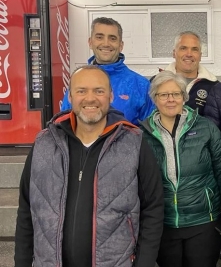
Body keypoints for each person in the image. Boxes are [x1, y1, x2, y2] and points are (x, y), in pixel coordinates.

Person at [15, 65, 164, 267]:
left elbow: (153, 209)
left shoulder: (134, 143)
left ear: (111, 96)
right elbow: (27, 209)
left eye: (99, 91)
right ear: (70, 96)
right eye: (81, 91)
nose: (90, 98)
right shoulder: (44, 143)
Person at [140, 70, 221, 267]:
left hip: (203, 221)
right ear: (155, 99)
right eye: (164, 95)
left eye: (176, 94)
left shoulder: (206, 128)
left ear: (184, 97)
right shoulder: (141, 134)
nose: (170, 99)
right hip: (163, 223)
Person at [61, 17, 155, 125]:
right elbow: (64, 124)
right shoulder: (78, 81)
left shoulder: (141, 85)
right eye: (99, 37)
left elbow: (150, 133)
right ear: (90, 42)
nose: (106, 43)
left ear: (121, 45)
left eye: (112, 38)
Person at [159, 31, 218, 115]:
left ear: (200, 56)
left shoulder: (214, 86)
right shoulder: (156, 82)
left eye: (194, 49)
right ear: (174, 53)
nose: (189, 54)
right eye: (183, 48)